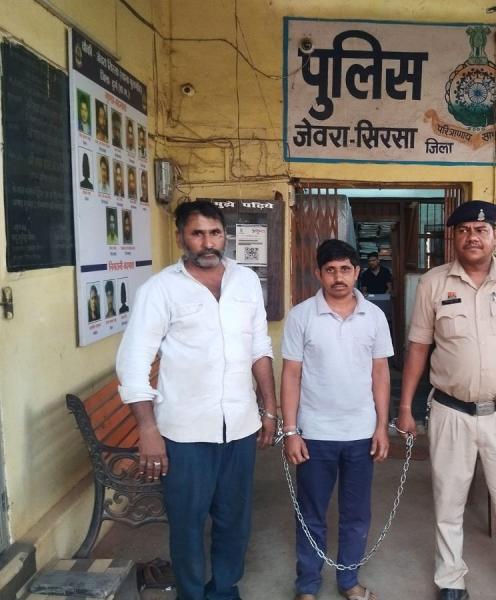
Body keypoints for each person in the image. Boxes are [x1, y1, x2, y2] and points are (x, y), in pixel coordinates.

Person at [116, 200, 277, 600]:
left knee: (234, 520)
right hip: (185, 432)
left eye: (215, 233)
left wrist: (270, 409)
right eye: (197, 234)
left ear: (225, 235)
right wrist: (147, 429)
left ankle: (223, 590)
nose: (208, 243)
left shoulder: (245, 281)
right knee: (187, 523)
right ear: (180, 238)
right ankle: (190, 594)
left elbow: (260, 347)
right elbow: (133, 362)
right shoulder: (159, 290)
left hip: (240, 425)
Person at [397, 200, 496, 600]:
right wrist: (405, 407)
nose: (473, 237)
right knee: (448, 503)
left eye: (481, 230)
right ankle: (451, 579)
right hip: (451, 411)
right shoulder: (433, 283)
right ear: (453, 237)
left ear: (494, 236)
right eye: (464, 230)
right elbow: (418, 347)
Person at [282, 239, 392, 600]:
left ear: (357, 272)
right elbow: (291, 375)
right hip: (315, 433)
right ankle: (307, 586)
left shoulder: (374, 317)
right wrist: (291, 431)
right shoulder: (301, 316)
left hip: (361, 432)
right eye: (330, 270)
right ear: (319, 273)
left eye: (345, 269)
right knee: (311, 513)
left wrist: (381, 427)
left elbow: (380, 374)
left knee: (355, 514)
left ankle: (348, 581)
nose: (338, 277)